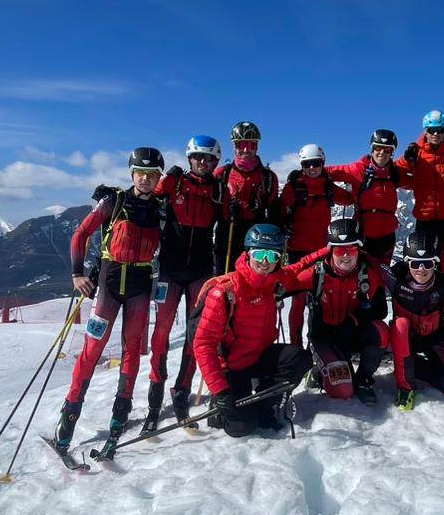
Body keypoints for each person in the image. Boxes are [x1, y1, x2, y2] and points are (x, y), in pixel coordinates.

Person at [55, 148, 167, 455]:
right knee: (92, 350)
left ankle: (121, 412)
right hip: (108, 282)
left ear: (159, 178)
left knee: (132, 350)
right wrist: (77, 273)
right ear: (131, 174)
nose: (146, 179)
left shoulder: (161, 208)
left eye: (152, 175)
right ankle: (69, 414)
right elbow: (80, 235)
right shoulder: (114, 201)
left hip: (141, 285)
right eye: (141, 173)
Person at [191, 224, 313, 437]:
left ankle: (267, 403)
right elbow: (203, 343)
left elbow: (300, 266)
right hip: (232, 366)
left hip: (258, 357)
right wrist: (220, 390)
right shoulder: (225, 292)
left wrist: (334, 249)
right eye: (259, 253)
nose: (265, 262)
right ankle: (219, 409)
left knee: (299, 358)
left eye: (272, 256)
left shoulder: (274, 280)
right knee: (241, 427)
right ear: (247, 253)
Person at [146, 135, 224, 430]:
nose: (202, 163)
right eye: (197, 157)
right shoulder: (174, 182)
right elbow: (143, 196)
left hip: (201, 272)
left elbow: (232, 219)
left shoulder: (218, 189)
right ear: (189, 158)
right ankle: (155, 395)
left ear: (214, 162)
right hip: (169, 269)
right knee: (161, 333)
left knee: (195, 335)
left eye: (208, 159)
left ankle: (181, 391)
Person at [284, 217, 388, 406]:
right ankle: (320, 369)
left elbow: (381, 310)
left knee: (380, 330)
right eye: (340, 250)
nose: (346, 256)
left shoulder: (367, 273)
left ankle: (363, 379)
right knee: (343, 391)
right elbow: (282, 285)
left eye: (351, 249)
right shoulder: (316, 274)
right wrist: (299, 353)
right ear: (330, 250)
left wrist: (354, 321)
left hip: (351, 334)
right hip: (324, 338)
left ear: (359, 250)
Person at [277, 144, 350, 347]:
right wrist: (284, 224)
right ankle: (295, 346)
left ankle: (316, 343)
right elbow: (279, 211)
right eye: (307, 164)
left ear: (322, 163)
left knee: (318, 302)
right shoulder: (294, 187)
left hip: (320, 252)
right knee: (299, 302)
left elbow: (349, 198)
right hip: (297, 252)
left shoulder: (328, 187)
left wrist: (349, 179)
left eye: (316, 163)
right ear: (302, 165)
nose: (312, 168)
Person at [383, 229, 444, 410]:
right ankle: (405, 386)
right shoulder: (395, 278)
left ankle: (410, 365)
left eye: (427, 263)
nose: (421, 269)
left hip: (433, 337)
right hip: (405, 338)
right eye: (415, 263)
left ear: (436, 263)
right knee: (401, 324)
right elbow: (367, 263)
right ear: (407, 262)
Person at [394, 110, 444, 267]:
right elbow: (397, 170)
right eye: (431, 130)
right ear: (425, 131)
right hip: (425, 218)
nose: (436, 134)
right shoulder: (416, 153)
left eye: (440, 130)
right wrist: (406, 159)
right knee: (425, 264)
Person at [324, 130, 403, 265]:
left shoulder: (395, 173)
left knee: (383, 277)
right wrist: (301, 174)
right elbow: (328, 172)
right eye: (378, 148)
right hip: (363, 234)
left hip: (387, 236)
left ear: (392, 152)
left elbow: (416, 181)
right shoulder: (358, 169)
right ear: (372, 148)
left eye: (387, 150)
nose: (382, 153)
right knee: (362, 276)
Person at [213, 121, 280, 274]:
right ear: (233, 146)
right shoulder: (222, 174)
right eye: (240, 144)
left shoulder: (268, 177)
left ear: (257, 146)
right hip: (226, 235)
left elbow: (274, 211)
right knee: (224, 281)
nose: (245, 149)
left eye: (250, 145)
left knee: (252, 284)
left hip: (256, 240)